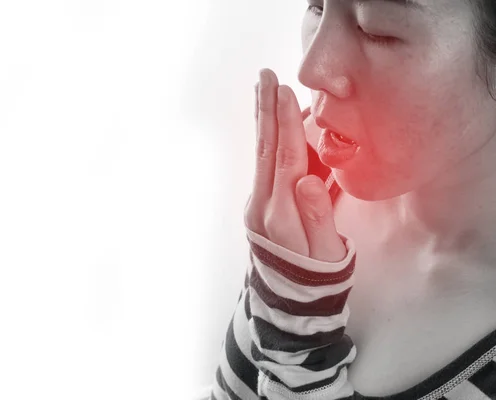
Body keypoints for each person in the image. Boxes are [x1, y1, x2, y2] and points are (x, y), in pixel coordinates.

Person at [208, 0, 496, 399]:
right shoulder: (312, 161)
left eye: (376, 30)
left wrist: (296, 339)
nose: (311, 68)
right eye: (315, 7)